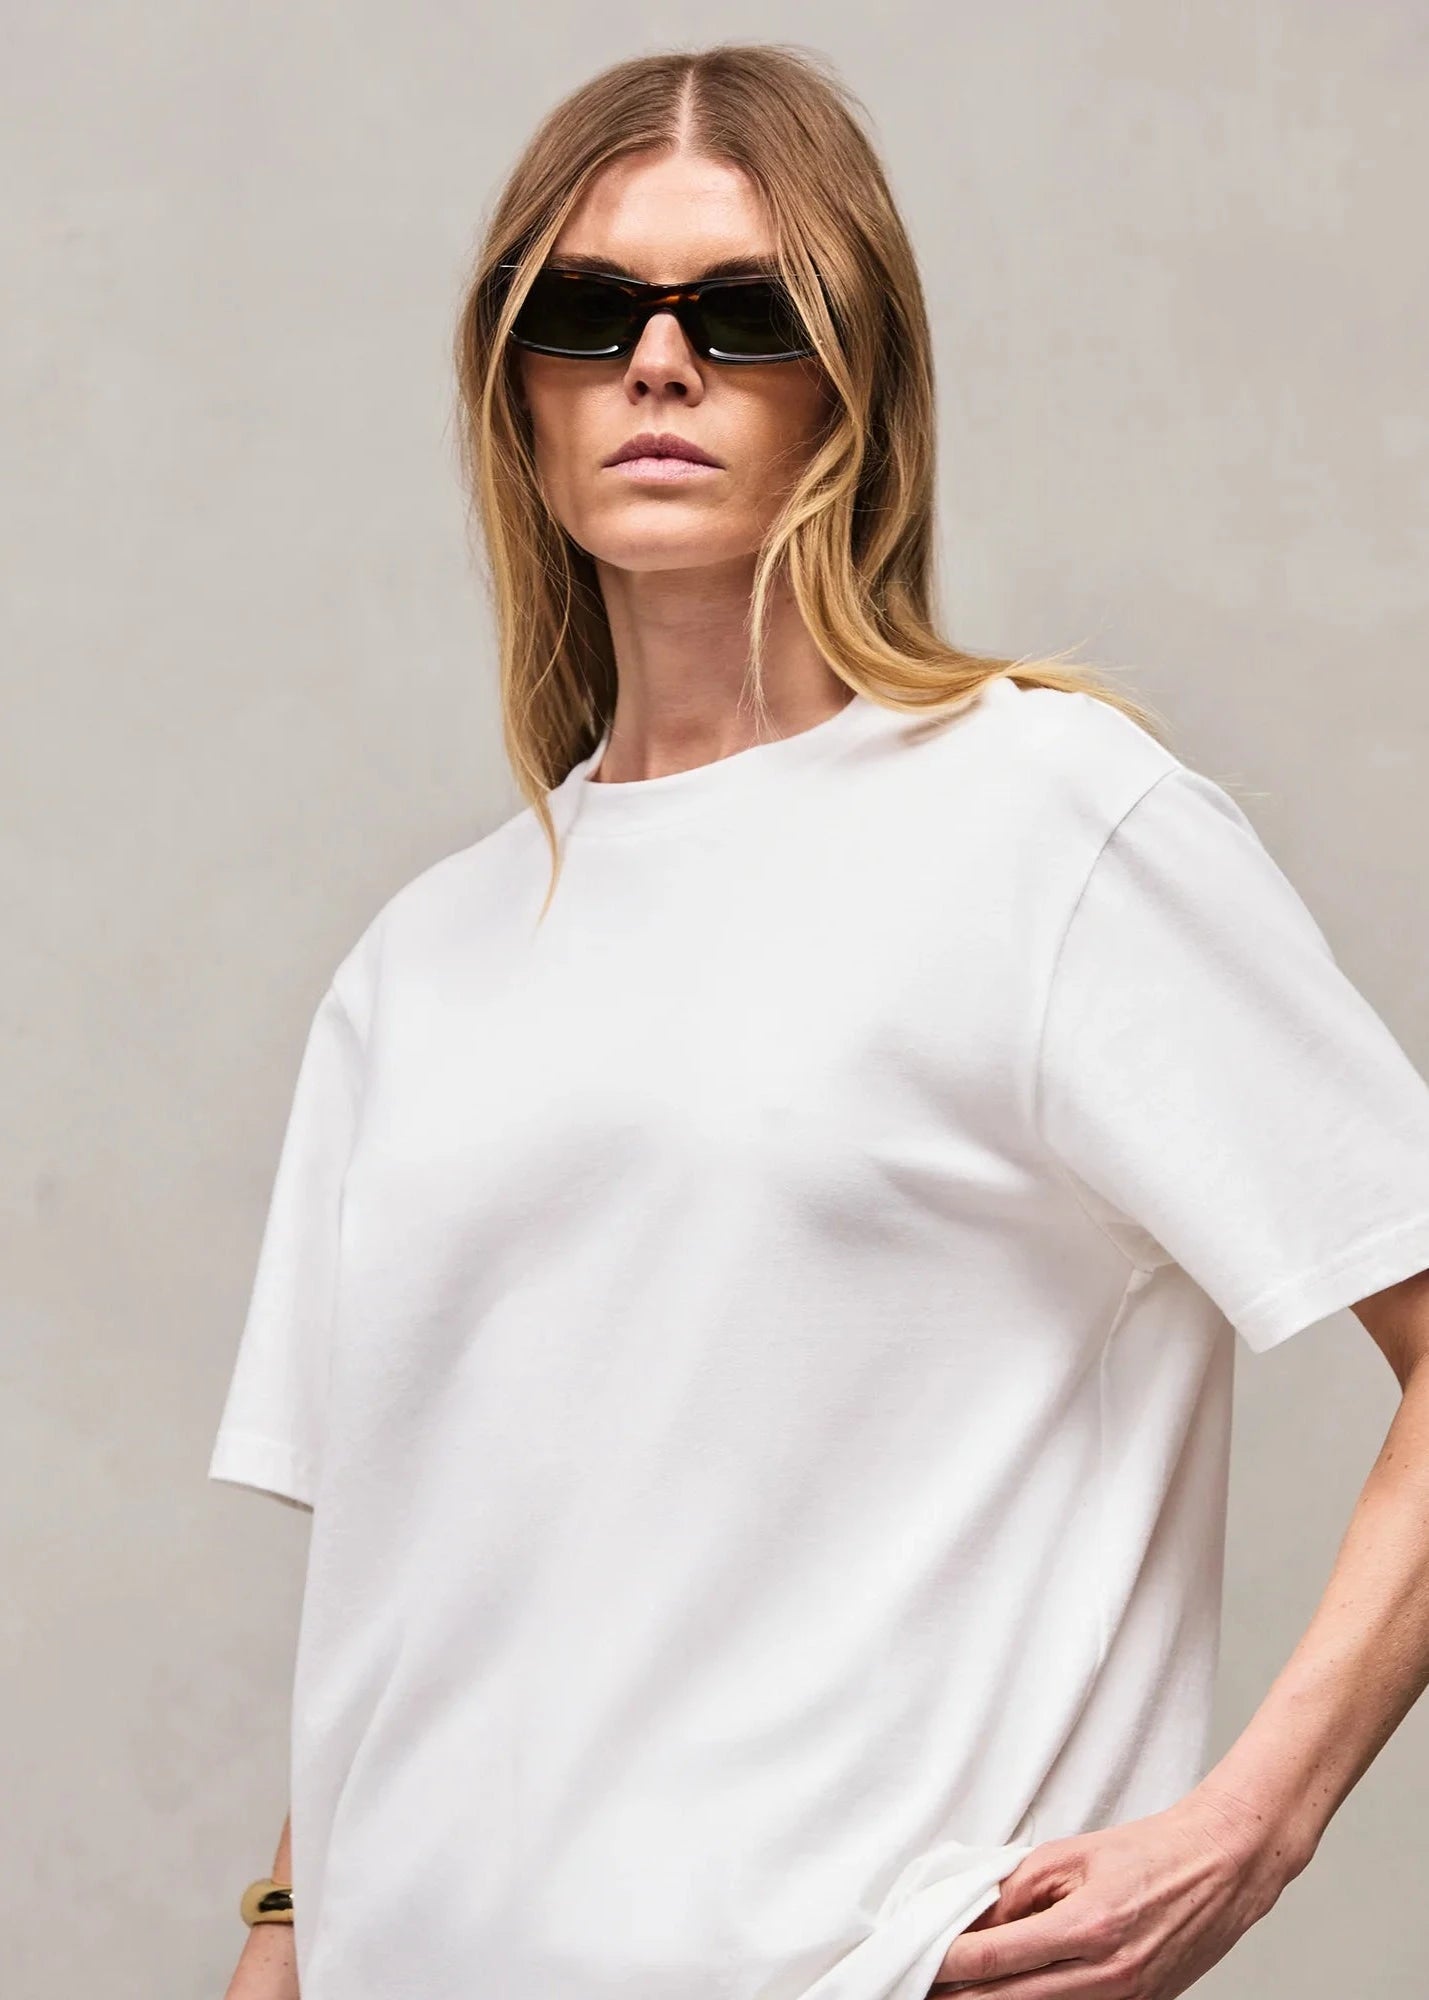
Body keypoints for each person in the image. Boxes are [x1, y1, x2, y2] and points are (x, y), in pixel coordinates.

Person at [211, 42, 1429, 2000]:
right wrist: (277, 1944)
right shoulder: (417, 965)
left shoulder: (1041, 822)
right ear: (514, 389)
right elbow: (408, 1585)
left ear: (853, 378)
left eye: (744, 312)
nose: (657, 363)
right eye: (585, 312)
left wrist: (1247, 1831)